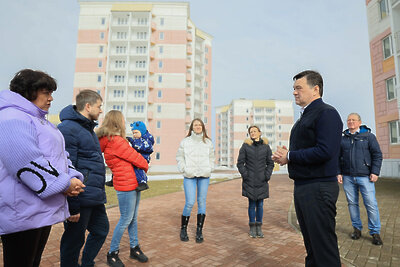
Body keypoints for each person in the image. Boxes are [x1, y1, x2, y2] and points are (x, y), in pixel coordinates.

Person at [0, 69, 85, 267]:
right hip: (21, 210)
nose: (51, 98)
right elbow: (25, 162)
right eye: (46, 92)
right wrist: (65, 184)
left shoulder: (39, 120)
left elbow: (60, 155)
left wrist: (73, 176)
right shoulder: (11, 117)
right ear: (29, 91)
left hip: (37, 208)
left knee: (33, 262)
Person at [272, 70, 342, 266]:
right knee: (312, 247)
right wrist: (287, 158)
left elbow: (325, 151)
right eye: (293, 89)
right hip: (304, 186)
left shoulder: (326, 113)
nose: (294, 92)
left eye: (298, 88)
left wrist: (291, 155)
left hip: (318, 187)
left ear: (315, 89)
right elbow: (307, 150)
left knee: (323, 249)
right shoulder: (304, 117)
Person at [58, 90, 109, 267]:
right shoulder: (67, 129)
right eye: (99, 106)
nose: (101, 110)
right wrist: (73, 206)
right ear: (88, 106)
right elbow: (66, 168)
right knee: (73, 242)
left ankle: (87, 263)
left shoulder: (89, 129)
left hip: (94, 196)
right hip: (79, 197)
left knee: (101, 230)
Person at [96, 110, 149, 267]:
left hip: (131, 182)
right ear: (118, 122)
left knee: (132, 218)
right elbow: (135, 157)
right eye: (123, 120)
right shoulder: (116, 141)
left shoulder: (110, 140)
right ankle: (112, 253)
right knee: (126, 218)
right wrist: (146, 165)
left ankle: (134, 248)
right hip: (126, 185)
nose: (125, 123)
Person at [337, 113, 383, 245]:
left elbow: (377, 155)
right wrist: (338, 173)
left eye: (353, 120)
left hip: (365, 177)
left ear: (359, 122)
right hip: (348, 177)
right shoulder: (343, 139)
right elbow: (337, 158)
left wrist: (375, 172)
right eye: (349, 120)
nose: (350, 122)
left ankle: (375, 232)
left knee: (371, 204)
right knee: (352, 204)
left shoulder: (368, 137)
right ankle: (357, 229)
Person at [176, 118, 215, 243]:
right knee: (190, 202)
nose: (197, 127)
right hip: (189, 176)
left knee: (202, 202)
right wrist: (184, 169)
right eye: (195, 125)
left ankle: (199, 231)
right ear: (191, 128)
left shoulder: (208, 142)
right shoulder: (185, 142)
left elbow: (212, 157)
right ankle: (183, 229)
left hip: (204, 175)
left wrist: (210, 168)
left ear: (203, 127)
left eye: (199, 125)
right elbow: (179, 157)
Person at [237, 126, 274, 238]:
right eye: (251, 132)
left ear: (259, 132)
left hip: (262, 180)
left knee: (261, 204)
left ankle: (259, 227)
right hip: (250, 180)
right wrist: (246, 175)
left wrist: (267, 175)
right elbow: (240, 163)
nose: (252, 133)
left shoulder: (266, 147)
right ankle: (252, 227)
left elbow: (270, 163)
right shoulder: (246, 146)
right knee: (252, 204)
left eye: (254, 131)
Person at [126, 121, 154, 191]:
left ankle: (143, 182)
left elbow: (146, 147)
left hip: (144, 157)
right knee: (135, 169)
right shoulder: (138, 139)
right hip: (139, 156)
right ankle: (139, 181)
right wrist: (131, 140)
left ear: (142, 131)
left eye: (136, 132)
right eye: (133, 133)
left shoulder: (147, 139)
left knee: (139, 168)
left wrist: (135, 144)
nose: (134, 135)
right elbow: (136, 144)